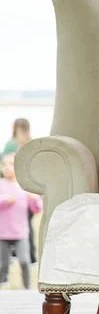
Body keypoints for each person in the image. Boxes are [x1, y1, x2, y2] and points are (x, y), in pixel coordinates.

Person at [0, 153, 40, 289]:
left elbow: (36, 208)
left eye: (11, 164)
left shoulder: (23, 187)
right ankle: (2, 286)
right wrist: (6, 200)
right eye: (4, 164)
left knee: (24, 261)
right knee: (2, 265)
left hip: (20, 232)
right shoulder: (1, 185)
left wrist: (34, 199)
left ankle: (27, 289)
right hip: (2, 233)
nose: (7, 168)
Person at [4, 118, 36, 264]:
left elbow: (4, 165)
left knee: (21, 225)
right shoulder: (31, 144)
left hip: (18, 189)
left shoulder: (12, 144)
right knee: (26, 225)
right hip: (26, 188)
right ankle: (29, 255)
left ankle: (20, 254)